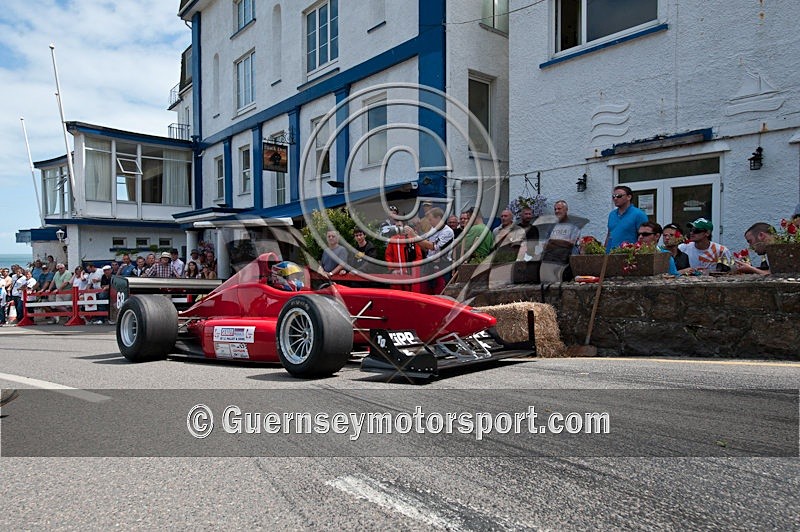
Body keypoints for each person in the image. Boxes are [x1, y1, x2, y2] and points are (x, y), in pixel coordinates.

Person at [414, 207, 455, 293]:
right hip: (430, 264)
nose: (429, 222)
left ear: (439, 218)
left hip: (443, 265)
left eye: (431, 219)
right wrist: (414, 238)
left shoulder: (448, 231)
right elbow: (426, 247)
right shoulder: (433, 229)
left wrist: (415, 236)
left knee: (441, 291)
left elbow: (433, 246)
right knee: (428, 291)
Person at [540, 200, 582, 282]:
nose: (556, 211)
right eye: (555, 209)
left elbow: (571, 243)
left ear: (566, 210)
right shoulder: (551, 226)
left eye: (559, 209)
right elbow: (546, 243)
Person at [385, 219, 423, 292]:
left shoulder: (412, 239)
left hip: (410, 274)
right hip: (397, 275)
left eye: (399, 226)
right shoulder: (392, 240)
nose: (398, 228)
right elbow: (388, 256)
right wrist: (392, 270)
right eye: (396, 226)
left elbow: (419, 256)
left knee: (411, 294)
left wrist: (412, 269)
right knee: (397, 295)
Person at [606, 186, 648, 251]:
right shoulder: (612, 214)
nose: (615, 198)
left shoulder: (638, 214)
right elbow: (609, 235)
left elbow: (645, 237)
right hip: (610, 255)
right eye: (613, 196)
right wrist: (604, 252)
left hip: (629, 256)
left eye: (619, 196)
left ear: (629, 197)